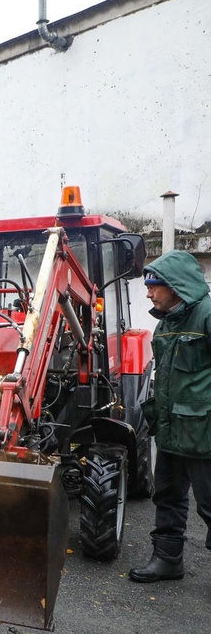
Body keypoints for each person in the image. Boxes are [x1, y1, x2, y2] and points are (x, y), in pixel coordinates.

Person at [129, 250, 211, 583]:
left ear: (175, 285)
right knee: (168, 495)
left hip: (203, 432)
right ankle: (167, 559)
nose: (148, 292)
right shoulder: (165, 324)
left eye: (154, 285)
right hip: (171, 427)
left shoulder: (206, 315)